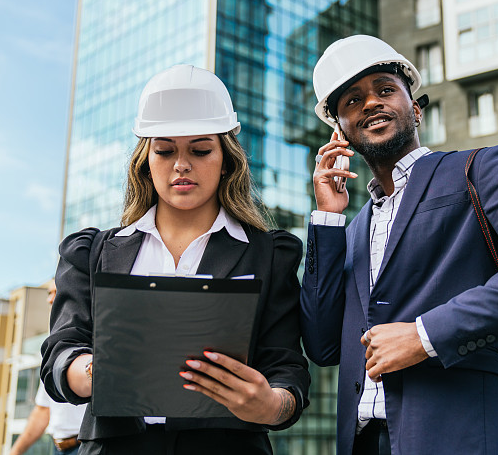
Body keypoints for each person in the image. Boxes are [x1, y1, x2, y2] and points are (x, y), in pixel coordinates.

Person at [300, 35, 498, 455]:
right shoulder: (350, 230)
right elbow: (323, 345)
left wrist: (425, 336)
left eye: (385, 90)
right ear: (340, 131)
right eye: (351, 101)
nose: (369, 104)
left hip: (457, 437)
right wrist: (327, 218)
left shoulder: (476, 170)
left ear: (416, 108)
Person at [41, 65, 310, 455]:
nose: (181, 165)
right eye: (165, 150)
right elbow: (60, 351)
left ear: (226, 159)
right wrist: (93, 373)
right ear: (145, 161)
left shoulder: (270, 255)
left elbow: (287, 367)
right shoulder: (92, 253)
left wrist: (271, 405)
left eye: (200, 150)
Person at [10, 282, 86, 455]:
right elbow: (43, 410)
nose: (49, 299)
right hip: (59, 448)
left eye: (55, 291)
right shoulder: (53, 347)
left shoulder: (95, 335)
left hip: (88, 446)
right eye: (49, 293)